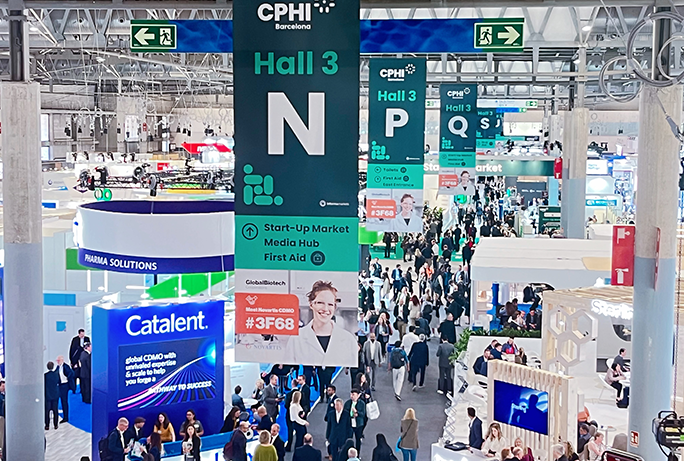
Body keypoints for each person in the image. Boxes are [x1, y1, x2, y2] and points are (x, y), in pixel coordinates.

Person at [284, 281, 358, 365]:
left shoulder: (348, 340)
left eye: (330, 304)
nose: (325, 309)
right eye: (320, 303)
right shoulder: (296, 339)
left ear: (334, 307)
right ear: (311, 304)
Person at [344, 389, 366, 453]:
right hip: (350, 423)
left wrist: (357, 412)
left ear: (358, 395)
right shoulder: (347, 403)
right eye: (351, 394)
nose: (351, 396)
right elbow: (344, 412)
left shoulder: (362, 403)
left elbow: (363, 414)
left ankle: (357, 453)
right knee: (348, 439)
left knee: (358, 439)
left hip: (358, 424)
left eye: (353, 394)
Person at [55, 355, 75, 423]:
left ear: (62, 360)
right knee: (61, 400)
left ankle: (66, 417)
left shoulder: (66, 366)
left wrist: (67, 378)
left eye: (58, 360)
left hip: (65, 385)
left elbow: (71, 373)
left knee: (64, 401)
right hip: (60, 385)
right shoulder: (58, 367)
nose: (57, 362)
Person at [44, 361, 60, 430]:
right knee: (55, 410)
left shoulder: (45, 376)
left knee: (47, 411)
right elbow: (59, 382)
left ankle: (47, 425)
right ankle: (55, 425)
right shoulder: (56, 375)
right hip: (55, 394)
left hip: (48, 395)